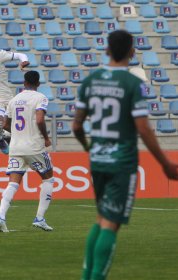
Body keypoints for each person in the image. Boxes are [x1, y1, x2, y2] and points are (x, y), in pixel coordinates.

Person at [72, 30, 178, 280]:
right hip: (122, 162)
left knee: (100, 219)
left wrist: (88, 147)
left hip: (97, 159)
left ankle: (86, 277)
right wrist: (164, 163)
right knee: (111, 223)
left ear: (107, 50)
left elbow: (76, 126)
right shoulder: (132, 84)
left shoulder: (91, 80)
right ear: (132, 51)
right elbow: (142, 127)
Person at [0, 70, 54, 232]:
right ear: (38, 83)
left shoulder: (14, 100)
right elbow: (40, 119)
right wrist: (46, 137)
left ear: (24, 82)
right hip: (34, 145)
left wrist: (19, 132)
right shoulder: (40, 98)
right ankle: (40, 218)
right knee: (48, 179)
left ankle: (0, 216)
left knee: (13, 182)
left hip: (15, 147)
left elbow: (5, 124)